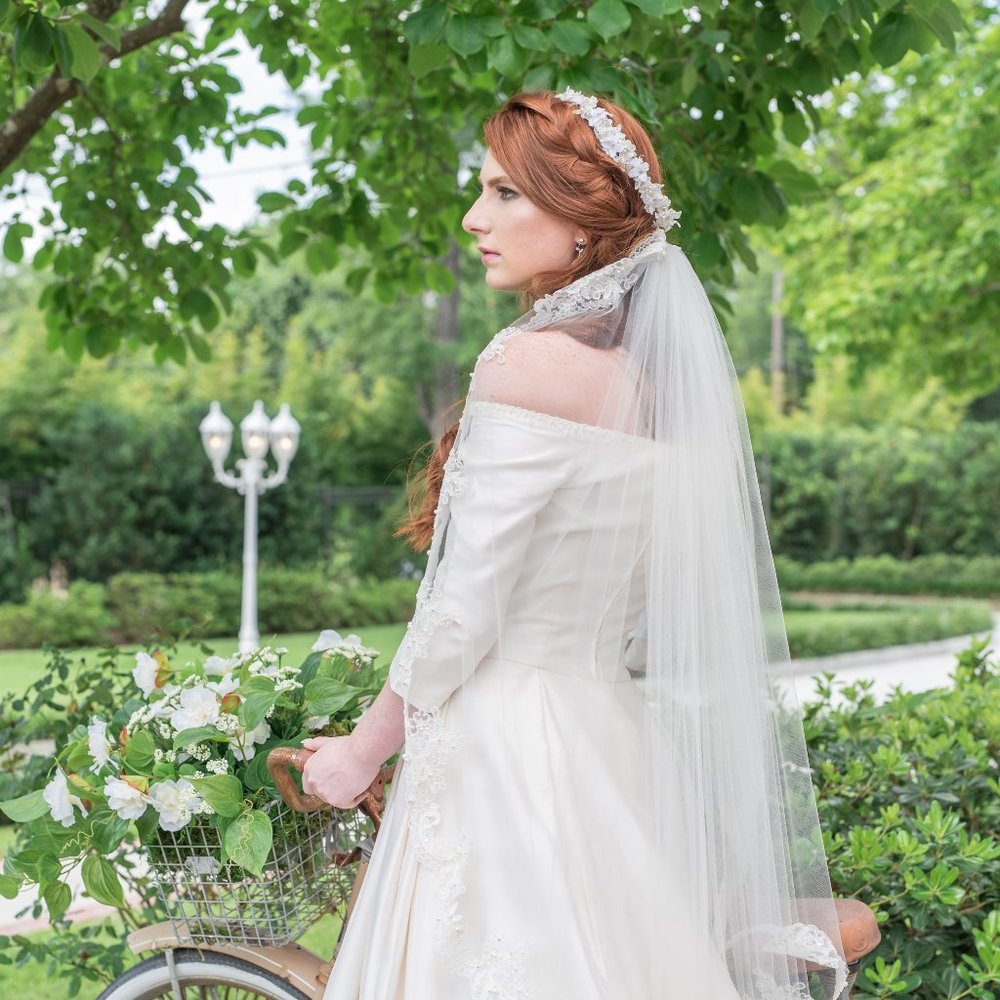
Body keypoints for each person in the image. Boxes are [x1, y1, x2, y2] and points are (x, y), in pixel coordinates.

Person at [301, 90, 849, 999]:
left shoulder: (522, 364)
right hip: (610, 741)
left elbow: (462, 611)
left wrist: (360, 752)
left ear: (582, 220)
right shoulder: (653, 390)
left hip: (504, 753)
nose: (474, 218)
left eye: (505, 193)